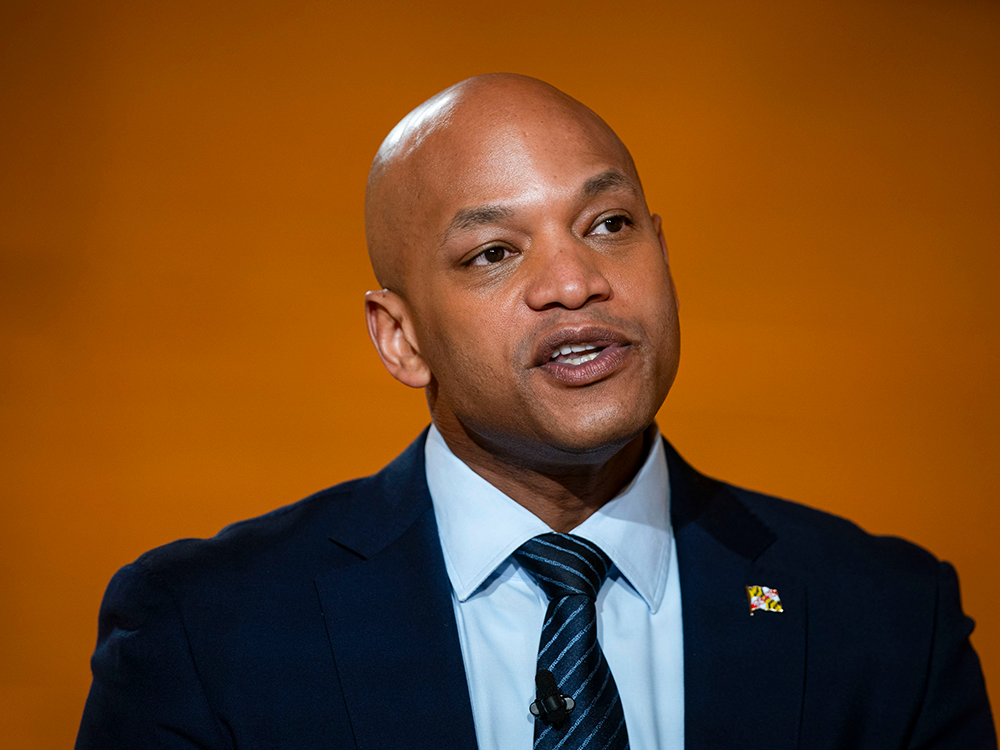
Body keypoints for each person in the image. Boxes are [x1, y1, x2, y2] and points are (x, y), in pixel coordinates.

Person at [76, 74, 996, 749]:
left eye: (609, 225)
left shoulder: (890, 621)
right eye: (492, 254)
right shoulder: (205, 631)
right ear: (399, 338)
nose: (575, 282)